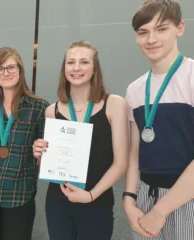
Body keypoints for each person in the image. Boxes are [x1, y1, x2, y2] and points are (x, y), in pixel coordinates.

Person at [32, 40, 128, 240]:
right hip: (58, 202)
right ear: (64, 68)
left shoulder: (114, 105)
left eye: (84, 62)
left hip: (96, 201)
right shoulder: (52, 111)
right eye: (70, 62)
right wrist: (40, 155)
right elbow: (49, 168)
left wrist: (91, 195)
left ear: (95, 69)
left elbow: (121, 163)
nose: (76, 68)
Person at [124, 1, 194, 239]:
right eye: (143, 32)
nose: (151, 39)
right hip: (145, 197)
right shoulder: (134, 90)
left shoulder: (192, 77)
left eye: (161, 29)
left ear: (179, 28)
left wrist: (161, 210)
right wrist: (129, 200)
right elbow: (135, 150)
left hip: (187, 199)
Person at [0, 46, 49, 240]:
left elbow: (47, 158)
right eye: (0, 69)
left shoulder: (39, 107)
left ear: (20, 70)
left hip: (19, 194)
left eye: (10, 67)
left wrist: (41, 154)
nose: (5, 73)